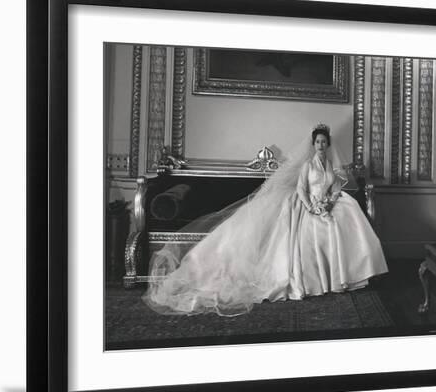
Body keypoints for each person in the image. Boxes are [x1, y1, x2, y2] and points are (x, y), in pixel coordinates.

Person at [143, 124, 388, 316]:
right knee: (303, 234)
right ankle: (312, 278)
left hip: (325, 203)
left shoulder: (330, 167)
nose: (321, 146)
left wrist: (330, 201)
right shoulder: (308, 166)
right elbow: (302, 189)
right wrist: (311, 206)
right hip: (307, 204)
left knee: (347, 212)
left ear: (328, 144)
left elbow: (334, 186)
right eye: (318, 142)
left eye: (324, 142)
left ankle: (345, 276)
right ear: (313, 145)